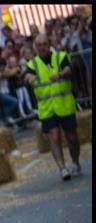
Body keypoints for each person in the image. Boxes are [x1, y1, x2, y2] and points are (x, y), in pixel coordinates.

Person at [25, 33, 80, 180]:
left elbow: (68, 69)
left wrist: (61, 75)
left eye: (44, 44)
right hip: (47, 108)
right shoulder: (32, 64)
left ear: (49, 44)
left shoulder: (60, 56)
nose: (42, 47)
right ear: (35, 47)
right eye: (39, 45)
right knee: (54, 136)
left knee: (72, 137)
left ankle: (75, 162)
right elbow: (27, 76)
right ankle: (62, 168)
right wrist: (30, 78)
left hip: (64, 105)